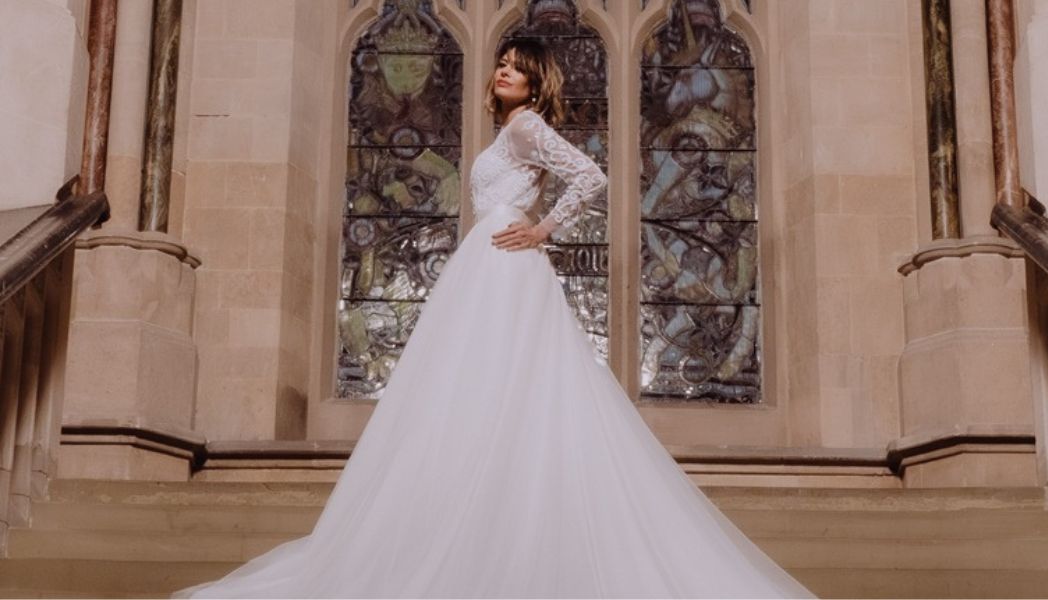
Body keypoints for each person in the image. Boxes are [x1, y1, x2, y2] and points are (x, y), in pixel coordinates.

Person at [171, 38, 815, 599]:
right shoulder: (509, 132)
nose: (502, 72)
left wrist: (542, 230)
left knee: (492, 387)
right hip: (488, 260)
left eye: (516, 67)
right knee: (486, 391)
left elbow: (589, 176)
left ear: (536, 83)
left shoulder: (525, 127)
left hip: (504, 259)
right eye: (501, 65)